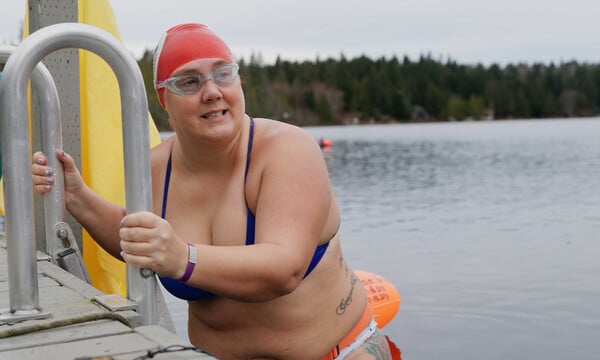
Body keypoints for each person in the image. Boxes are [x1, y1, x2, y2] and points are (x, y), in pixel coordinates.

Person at [32, 23, 392, 360]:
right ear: (163, 98)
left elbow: (284, 269)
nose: (211, 92)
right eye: (188, 82)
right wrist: (77, 197)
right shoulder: (156, 167)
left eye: (223, 74)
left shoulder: (287, 151)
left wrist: (182, 258)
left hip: (340, 353)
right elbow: (141, 238)